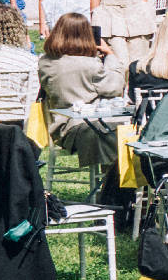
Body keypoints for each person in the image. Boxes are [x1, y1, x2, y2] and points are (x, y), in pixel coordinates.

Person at [38, 12, 131, 202]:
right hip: (84, 128)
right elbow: (115, 86)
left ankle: (113, 189)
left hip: (60, 128)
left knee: (111, 134)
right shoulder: (89, 65)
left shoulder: (45, 62)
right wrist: (110, 56)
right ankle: (116, 191)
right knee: (120, 137)